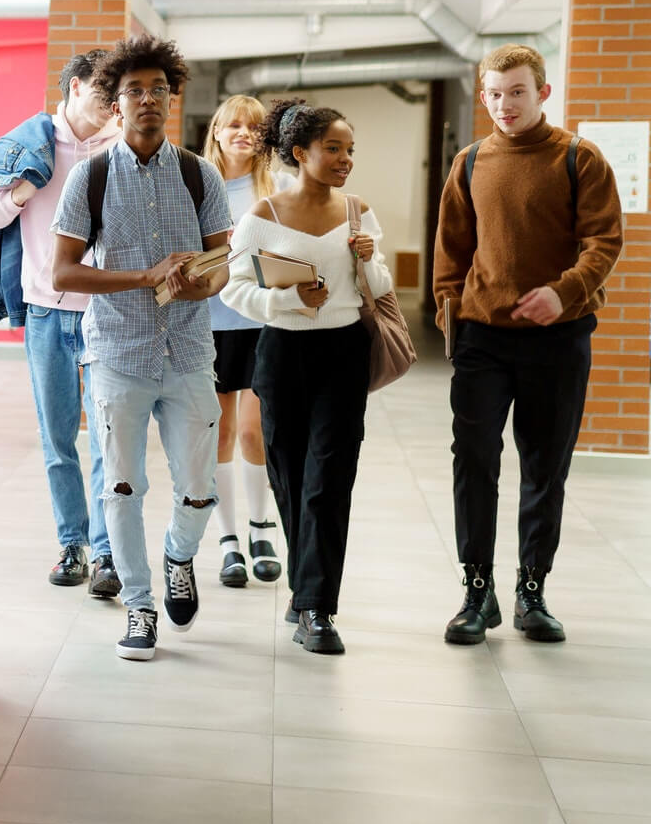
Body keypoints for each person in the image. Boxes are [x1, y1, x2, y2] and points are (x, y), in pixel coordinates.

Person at [434, 44, 623, 645]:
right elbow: (451, 254)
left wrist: (563, 293)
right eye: (494, 93)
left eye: (516, 91)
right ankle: (476, 590)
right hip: (483, 341)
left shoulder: (578, 158)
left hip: (558, 339)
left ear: (542, 93)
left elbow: (604, 242)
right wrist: (451, 320)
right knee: (475, 465)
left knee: (545, 466)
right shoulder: (467, 163)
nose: (504, 104)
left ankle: (531, 592)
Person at [50, 35, 230, 661]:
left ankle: (180, 556)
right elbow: (63, 274)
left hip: (189, 352)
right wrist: (146, 276)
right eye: (134, 91)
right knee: (122, 487)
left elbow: (221, 268)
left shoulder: (199, 174)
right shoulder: (89, 178)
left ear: (171, 98)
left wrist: (192, 285)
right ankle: (139, 604)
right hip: (119, 355)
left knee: (201, 486)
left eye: (158, 89)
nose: (148, 98)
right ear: (115, 103)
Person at [220, 100, 390, 654]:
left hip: (343, 353)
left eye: (349, 151)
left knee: (329, 482)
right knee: (291, 479)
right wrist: (288, 298)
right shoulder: (262, 215)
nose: (344, 160)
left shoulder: (358, 211)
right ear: (300, 153)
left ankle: (317, 608)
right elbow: (233, 288)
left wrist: (367, 258)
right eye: (333, 149)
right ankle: (305, 585)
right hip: (282, 355)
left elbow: (381, 285)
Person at [0, 50, 122, 596]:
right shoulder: (31, 143)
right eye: (105, 89)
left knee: (110, 437)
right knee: (58, 438)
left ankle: (108, 552)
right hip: (45, 311)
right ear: (77, 86)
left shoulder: (122, 149)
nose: (113, 101)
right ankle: (74, 545)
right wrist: (24, 189)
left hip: (108, 314)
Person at [202, 95, 282, 589]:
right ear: (216, 131)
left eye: (254, 127)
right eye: (233, 125)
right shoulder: (198, 184)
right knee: (220, 435)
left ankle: (261, 527)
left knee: (255, 432)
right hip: (207, 326)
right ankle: (227, 538)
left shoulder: (278, 186)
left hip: (260, 324)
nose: (243, 133)